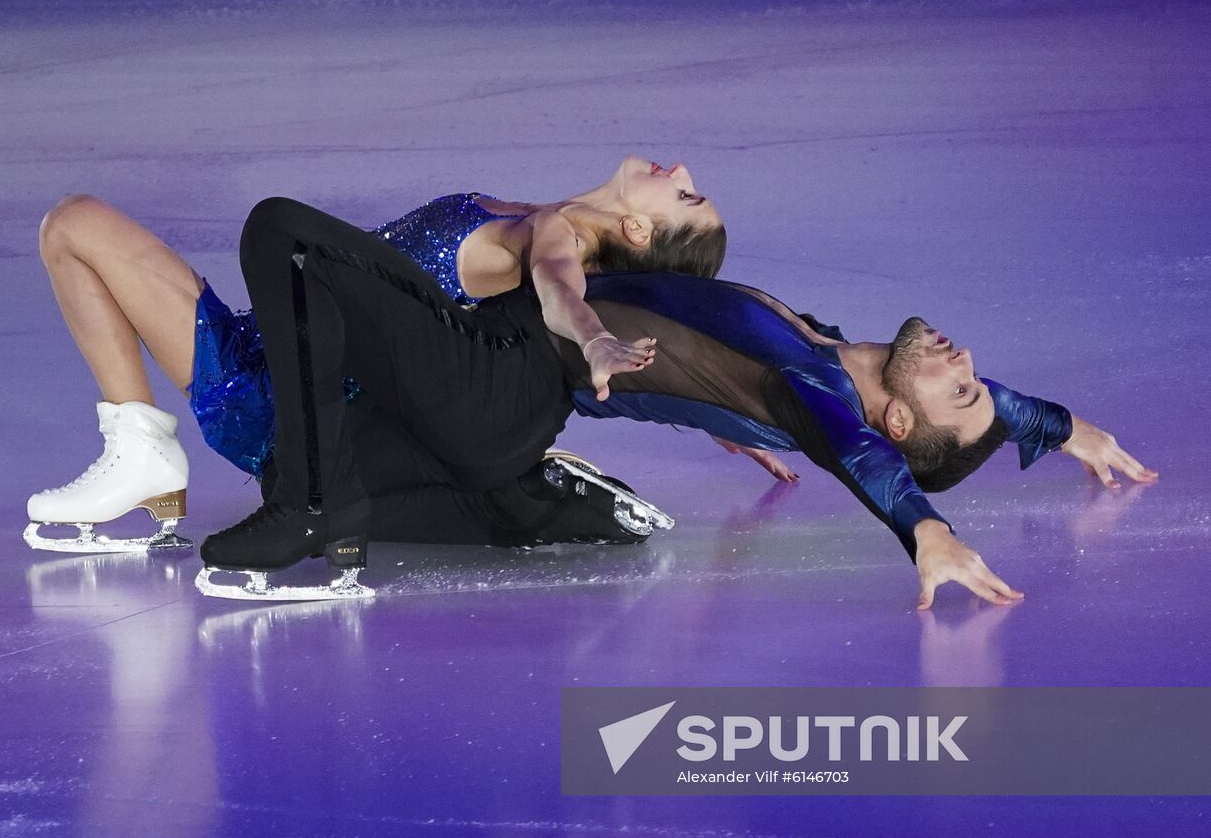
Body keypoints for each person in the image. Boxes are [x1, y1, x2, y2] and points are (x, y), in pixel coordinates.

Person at [203, 198, 1155, 608]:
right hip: (498, 412)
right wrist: (1066, 427)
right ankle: (515, 497)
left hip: (496, 383)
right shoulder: (821, 341)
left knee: (285, 237)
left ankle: (314, 510)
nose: (965, 359)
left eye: (957, 389)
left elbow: (857, 458)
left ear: (899, 421)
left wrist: (925, 531)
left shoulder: (821, 388)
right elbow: (974, 411)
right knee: (307, 431)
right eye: (975, 376)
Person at [25, 157, 728, 552]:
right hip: (266, 337)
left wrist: (599, 339)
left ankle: (156, 460)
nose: (681, 169)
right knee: (72, 222)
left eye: (686, 194)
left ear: (637, 229)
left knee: (81, 225)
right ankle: (139, 443)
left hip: (277, 400)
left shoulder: (553, 238)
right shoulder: (540, 213)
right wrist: (711, 405)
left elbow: (560, 291)